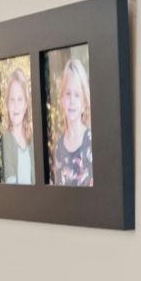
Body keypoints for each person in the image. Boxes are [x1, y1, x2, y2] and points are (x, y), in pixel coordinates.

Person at [50, 53, 93, 187]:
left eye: (77, 95)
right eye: (68, 94)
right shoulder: (58, 147)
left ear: (84, 102)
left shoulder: (92, 142)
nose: (72, 101)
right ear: (62, 99)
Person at [0, 61, 35, 185]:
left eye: (20, 99)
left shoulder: (32, 139)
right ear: (7, 105)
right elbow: (10, 179)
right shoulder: (6, 139)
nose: (16, 106)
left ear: (26, 105)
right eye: (12, 100)